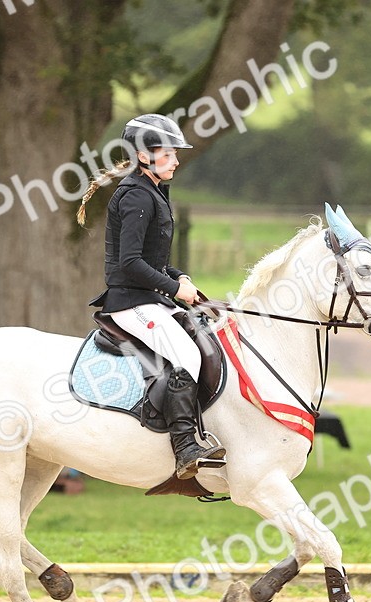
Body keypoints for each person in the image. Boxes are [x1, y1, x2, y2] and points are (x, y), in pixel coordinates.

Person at [77, 113, 226, 480]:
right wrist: (175, 289)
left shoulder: (154, 192)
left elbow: (152, 259)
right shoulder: (136, 197)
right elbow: (128, 265)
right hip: (129, 303)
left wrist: (179, 277)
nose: (176, 160)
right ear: (145, 157)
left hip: (149, 299)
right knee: (186, 355)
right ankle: (185, 447)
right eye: (169, 153)